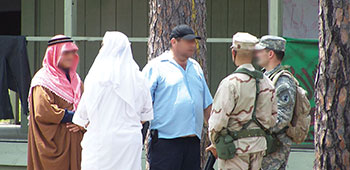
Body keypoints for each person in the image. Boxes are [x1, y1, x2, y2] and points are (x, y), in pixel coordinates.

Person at [72, 31, 153, 170]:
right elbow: (145, 116)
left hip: (100, 142)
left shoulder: (95, 78)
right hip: (129, 143)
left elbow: (82, 117)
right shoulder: (139, 79)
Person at [142, 24, 213, 170]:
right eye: (188, 41)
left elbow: (207, 106)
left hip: (192, 144)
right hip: (165, 144)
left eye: (194, 41)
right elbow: (142, 104)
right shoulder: (156, 67)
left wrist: (215, 137)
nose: (192, 45)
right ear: (174, 42)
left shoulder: (196, 67)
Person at [207, 32, 277, 170]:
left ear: (234, 53)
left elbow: (217, 122)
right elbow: (273, 119)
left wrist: (215, 142)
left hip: (234, 149)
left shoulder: (230, 83)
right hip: (259, 147)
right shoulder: (267, 83)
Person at [27, 35, 84, 170]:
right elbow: (43, 111)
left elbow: (88, 107)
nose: (71, 56)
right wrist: (74, 116)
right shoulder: (42, 81)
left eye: (73, 52)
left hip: (76, 147)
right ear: (54, 54)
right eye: (66, 53)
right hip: (53, 148)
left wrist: (81, 123)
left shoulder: (76, 80)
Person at [255, 35, 296, 170]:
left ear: (270, 53)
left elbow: (283, 119)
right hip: (263, 145)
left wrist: (257, 128)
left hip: (274, 149)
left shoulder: (283, 82)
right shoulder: (265, 77)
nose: (257, 54)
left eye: (260, 51)